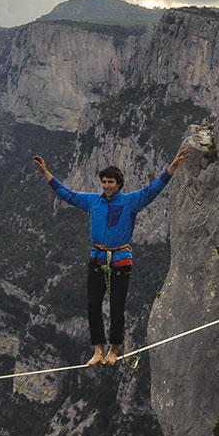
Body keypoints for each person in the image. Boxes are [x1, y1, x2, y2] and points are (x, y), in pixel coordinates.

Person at [32, 147, 191, 366]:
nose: (107, 186)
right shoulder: (92, 201)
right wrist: (46, 174)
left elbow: (152, 190)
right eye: (104, 182)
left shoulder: (130, 201)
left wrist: (171, 168)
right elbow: (67, 194)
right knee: (93, 305)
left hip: (120, 260)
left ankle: (114, 350)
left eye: (110, 182)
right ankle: (98, 350)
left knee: (117, 307)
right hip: (97, 259)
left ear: (119, 184)